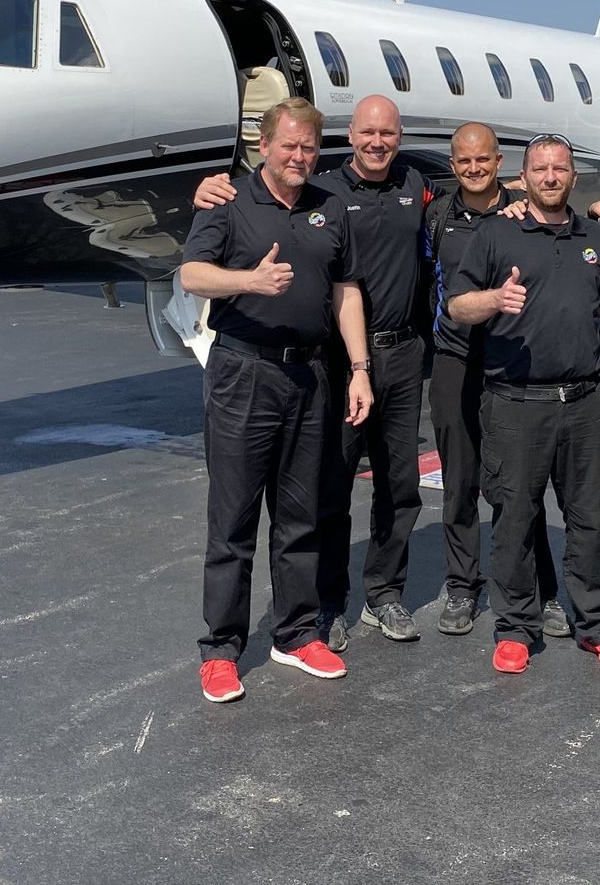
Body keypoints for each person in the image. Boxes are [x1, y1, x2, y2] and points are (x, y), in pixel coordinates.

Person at [193, 95, 433, 651]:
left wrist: (515, 198)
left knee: (379, 492)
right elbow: (196, 268)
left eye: (389, 133)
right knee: (296, 499)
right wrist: (242, 271)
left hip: (375, 359)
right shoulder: (295, 191)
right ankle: (290, 618)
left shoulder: (407, 189)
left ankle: (358, 606)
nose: (378, 142)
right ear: (350, 136)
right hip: (286, 363)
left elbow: (466, 207)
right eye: (368, 132)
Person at [179, 98, 374, 704]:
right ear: (264, 146)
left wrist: (360, 369)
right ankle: (220, 649)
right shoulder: (229, 200)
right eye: (288, 145)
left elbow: (345, 291)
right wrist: (248, 282)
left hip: (311, 376)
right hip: (244, 373)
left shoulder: (330, 208)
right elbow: (191, 274)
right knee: (233, 519)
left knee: (300, 516)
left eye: (309, 147)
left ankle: (294, 632)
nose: (299, 157)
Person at [448, 134, 600, 674]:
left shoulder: (594, 235)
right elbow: (458, 305)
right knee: (513, 519)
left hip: (582, 401)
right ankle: (516, 627)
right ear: (523, 177)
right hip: (516, 402)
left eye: (560, 169)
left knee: (588, 519)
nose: (550, 177)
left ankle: (596, 625)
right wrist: (494, 300)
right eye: (540, 169)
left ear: (575, 176)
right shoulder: (494, 233)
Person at [424, 123, 567, 639]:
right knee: (459, 482)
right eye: (464, 161)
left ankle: (540, 588)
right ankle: (463, 586)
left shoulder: (523, 209)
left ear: (499, 160)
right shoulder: (436, 215)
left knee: (522, 484)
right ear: (453, 162)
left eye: (482, 159)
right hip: (455, 361)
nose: (474, 168)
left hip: (511, 363)